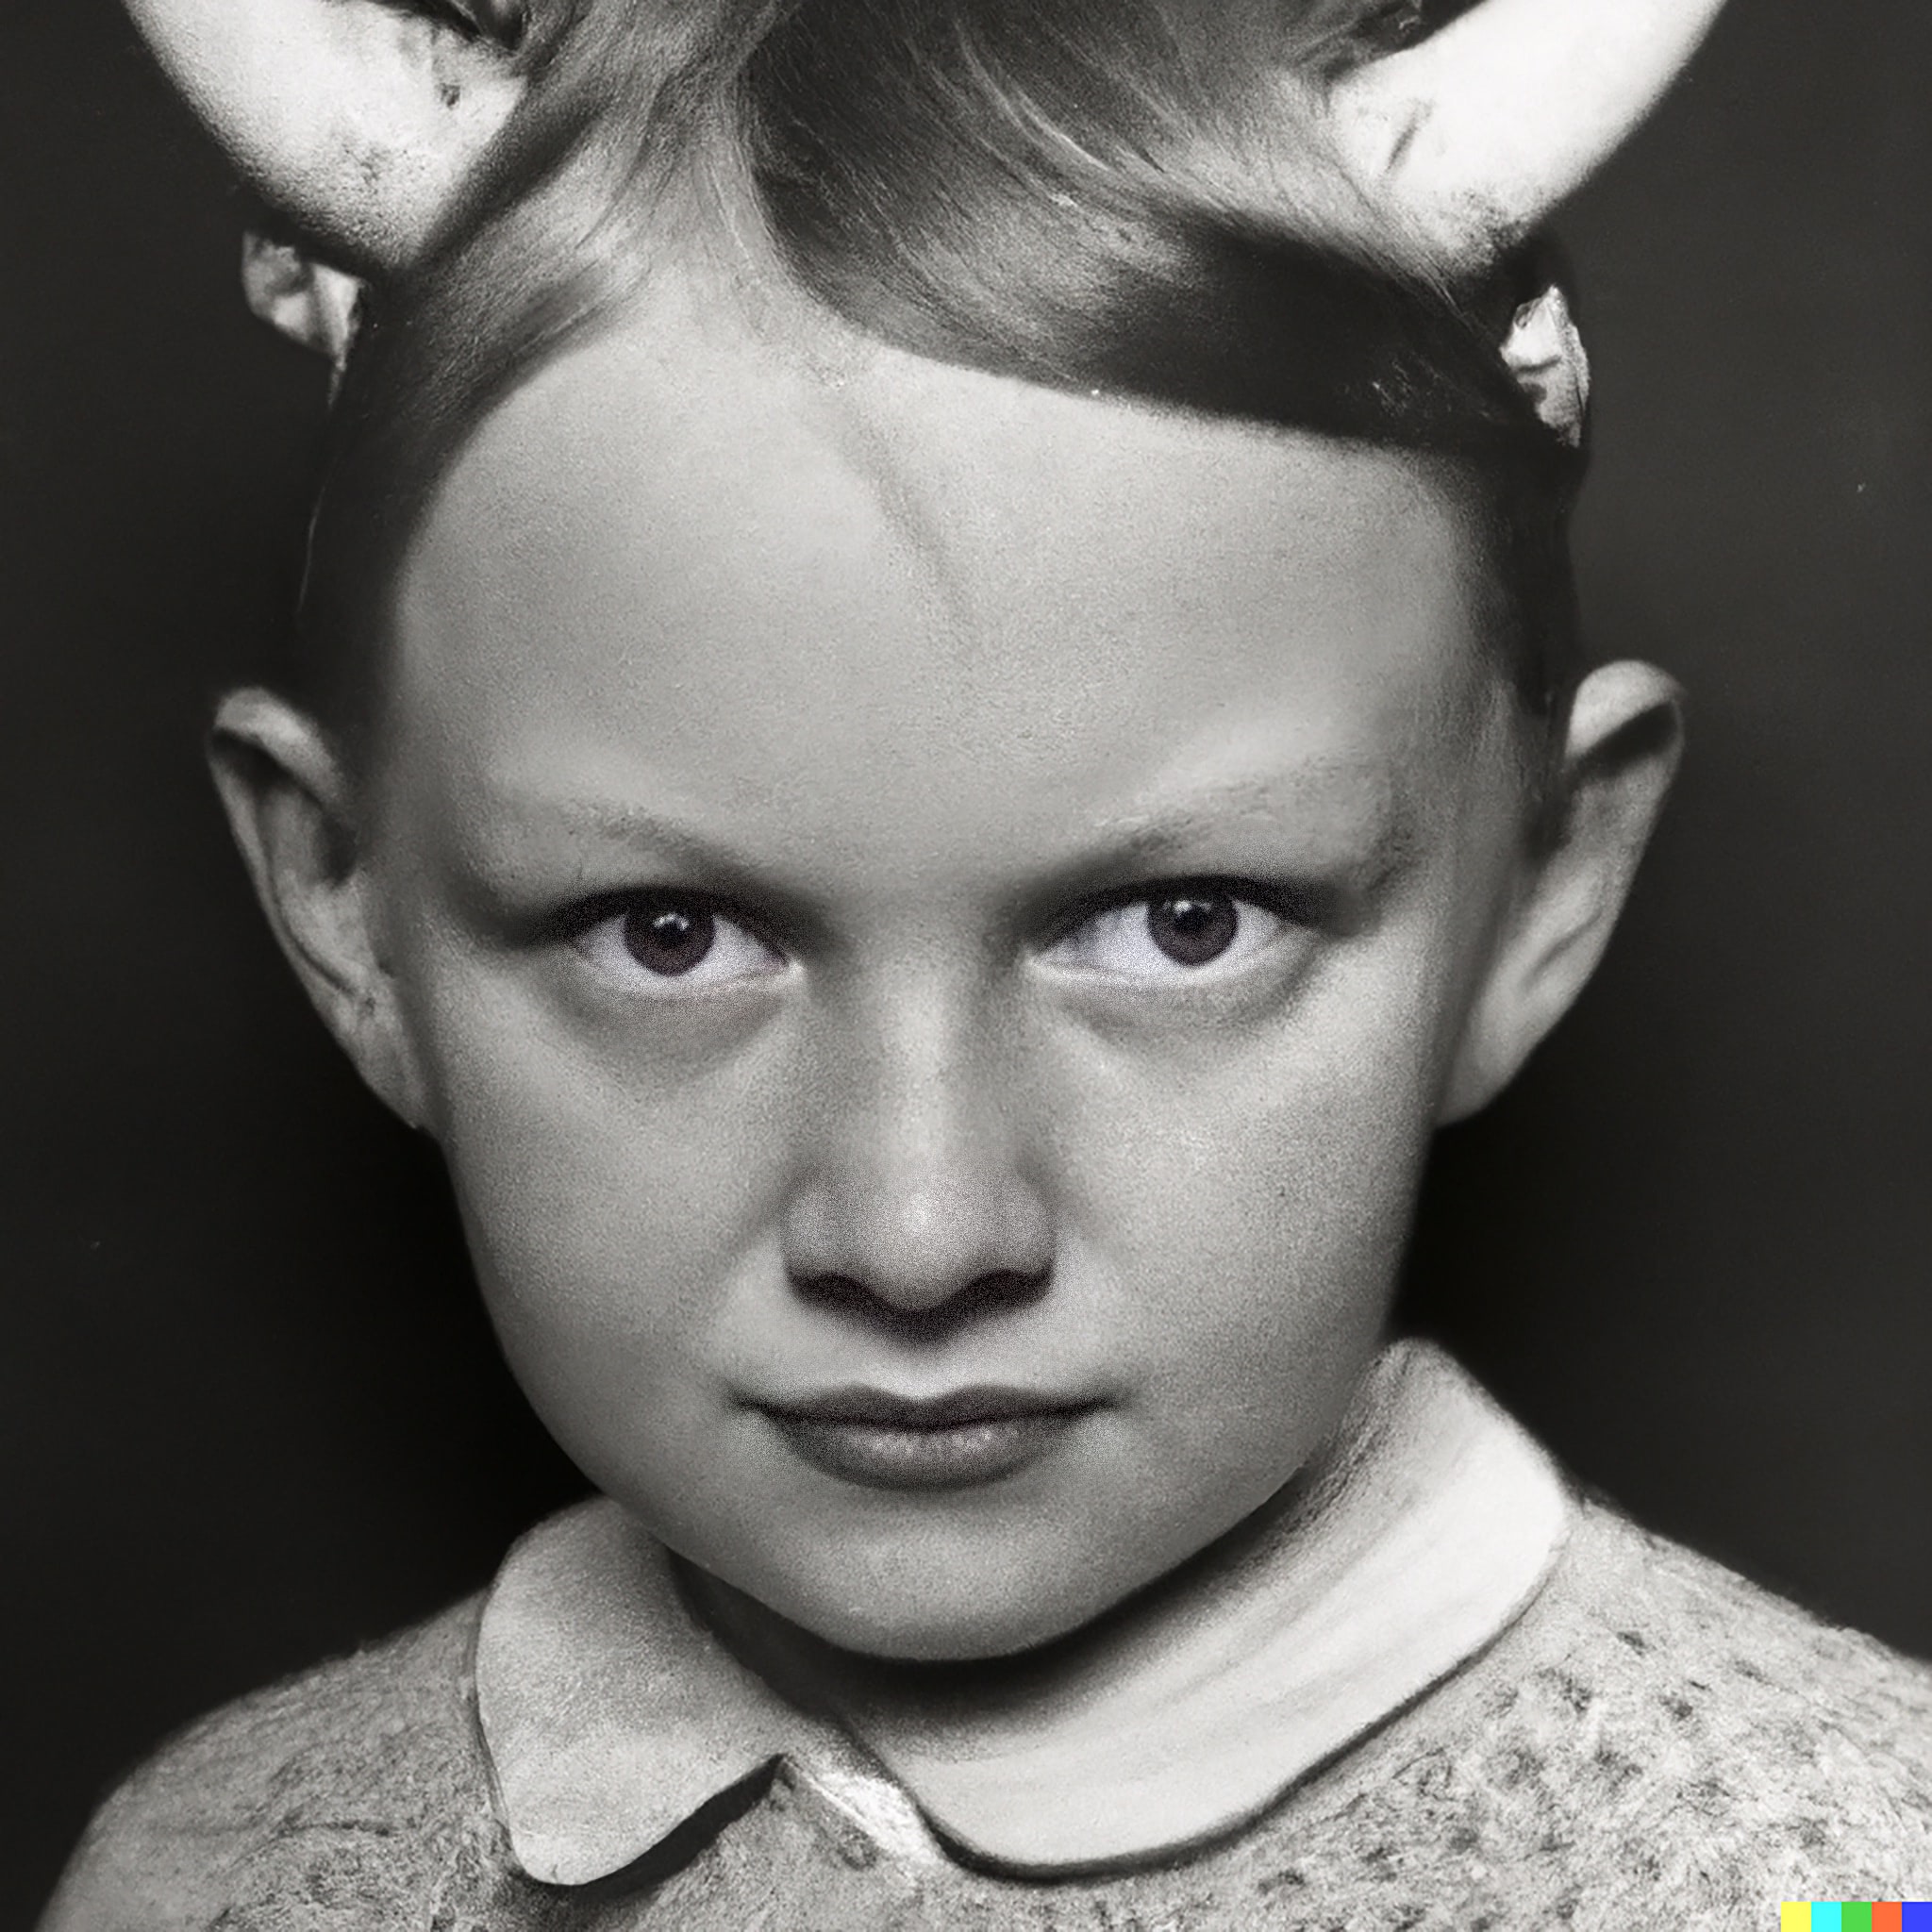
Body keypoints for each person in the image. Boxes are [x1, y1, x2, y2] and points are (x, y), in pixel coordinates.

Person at [42, 0, 1932, 1923]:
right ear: (346, 901)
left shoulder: (1837, 1880)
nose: (921, 1231)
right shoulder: (212, 1881)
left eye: (1184, 922)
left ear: (1542, 883)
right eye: (668, 934)